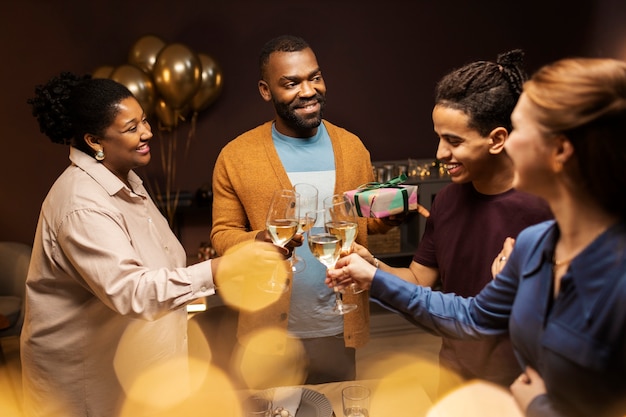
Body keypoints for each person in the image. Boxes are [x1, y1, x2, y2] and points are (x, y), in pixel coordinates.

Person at [329, 57, 626, 417]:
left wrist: (539, 407)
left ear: (561, 150)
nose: (511, 146)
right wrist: (373, 274)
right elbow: (471, 317)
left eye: (520, 131)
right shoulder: (535, 243)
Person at [22, 72, 283, 417]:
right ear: (95, 140)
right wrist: (222, 269)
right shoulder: (81, 204)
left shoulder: (125, 178)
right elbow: (133, 293)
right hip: (85, 385)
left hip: (134, 370)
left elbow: (159, 264)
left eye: (144, 121)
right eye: (131, 128)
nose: (147, 133)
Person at [353, 50, 553, 393]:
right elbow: (419, 280)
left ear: (497, 139)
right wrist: (372, 265)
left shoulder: (545, 209)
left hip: (523, 388)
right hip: (453, 379)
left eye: (454, 141)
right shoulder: (446, 201)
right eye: (439, 136)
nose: (440, 153)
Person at [210, 34, 393, 384]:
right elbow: (222, 235)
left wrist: (388, 216)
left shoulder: (352, 147)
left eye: (315, 77)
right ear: (266, 91)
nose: (308, 91)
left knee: (334, 406)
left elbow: (367, 221)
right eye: (291, 83)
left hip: (338, 326)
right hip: (267, 334)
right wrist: (260, 241)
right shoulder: (236, 155)